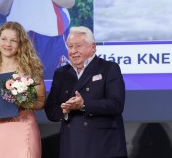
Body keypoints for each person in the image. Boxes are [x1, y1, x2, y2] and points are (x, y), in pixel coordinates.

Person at [45, 26, 128, 158]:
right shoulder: (61, 74)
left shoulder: (108, 68)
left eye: (78, 46)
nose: (73, 51)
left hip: (104, 147)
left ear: (93, 47)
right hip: (72, 147)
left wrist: (84, 105)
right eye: (70, 46)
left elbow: (116, 104)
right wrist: (65, 110)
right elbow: (51, 110)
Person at [0, 21, 46, 158]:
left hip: (24, 129)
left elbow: (41, 101)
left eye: (13, 40)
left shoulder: (31, 69)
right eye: (4, 39)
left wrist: (24, 103)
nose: (7, 44)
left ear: (21, 43)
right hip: (0, 132)